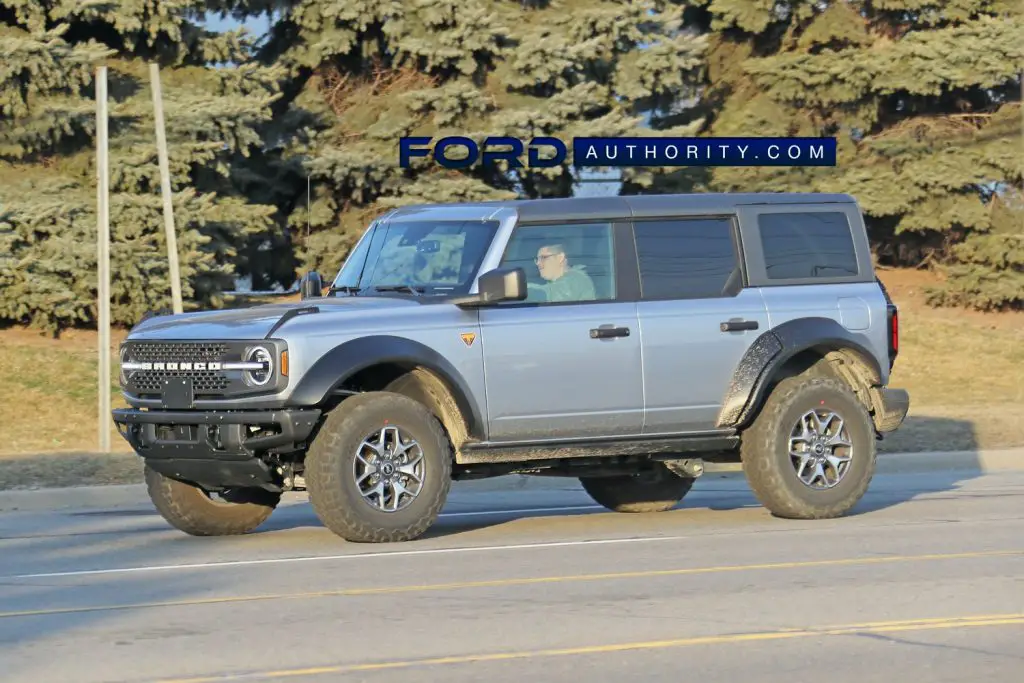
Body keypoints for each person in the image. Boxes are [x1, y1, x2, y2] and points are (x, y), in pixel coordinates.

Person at [531, 243, 596, 302]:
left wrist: (524, 289)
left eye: (543, 257)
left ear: (560, 257)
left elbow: (551, 293)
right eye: (537, 259)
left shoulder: (577, 279)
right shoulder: (554, 283)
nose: (538, 263)